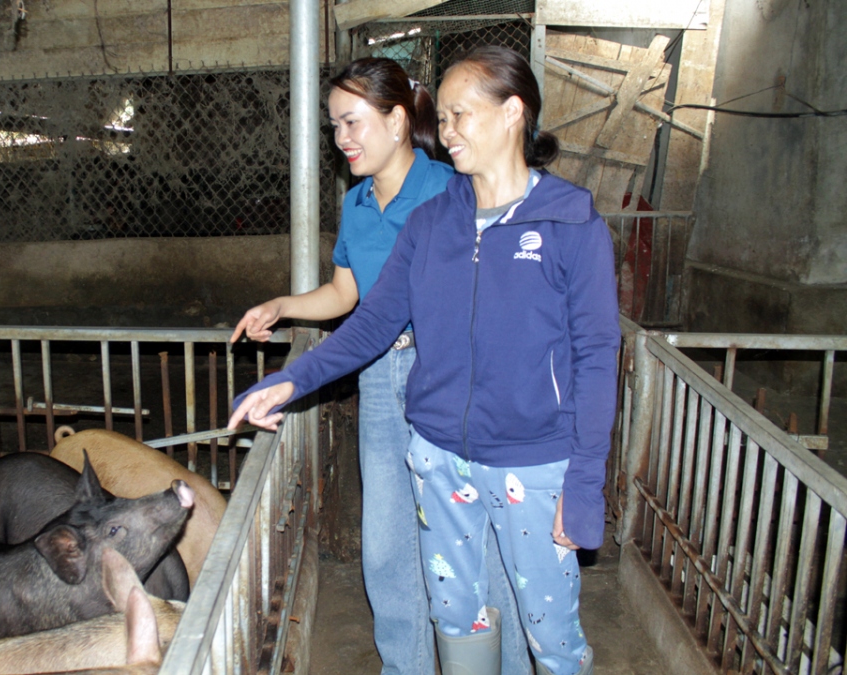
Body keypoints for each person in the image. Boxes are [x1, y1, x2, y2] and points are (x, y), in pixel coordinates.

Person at [229, 46, 620, 675]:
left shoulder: (570, 223)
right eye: (445, 117)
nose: (447, 131)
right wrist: (292, 379)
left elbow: (598, 356)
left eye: (462, 115)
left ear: (513, 112)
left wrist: (584, 483)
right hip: (439, 458)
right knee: (456, 620)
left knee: (548, 635)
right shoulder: (434, 222)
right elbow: (374, 321)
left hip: (532, 462)